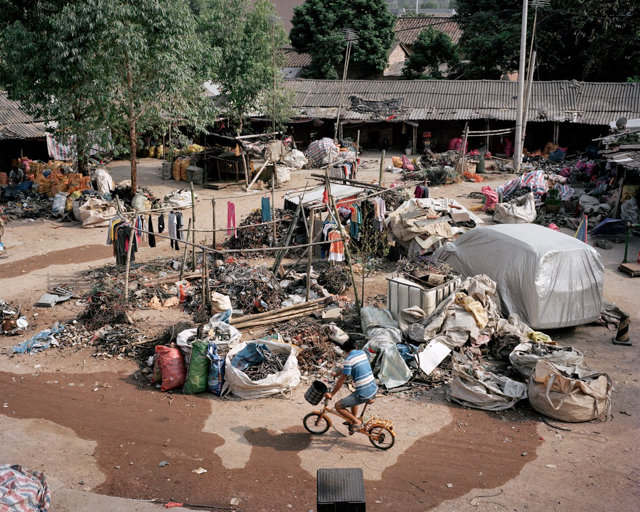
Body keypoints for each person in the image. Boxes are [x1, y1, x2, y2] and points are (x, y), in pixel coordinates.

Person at [324, 339, 378, 433]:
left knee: (338, 406)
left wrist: (331, 394)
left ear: (344, 351)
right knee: (354, 394)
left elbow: (341, 380)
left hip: (364, 394)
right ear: (356, 347)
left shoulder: (348, 360)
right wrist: (336, 374)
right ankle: (353, 421)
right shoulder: (362, 353)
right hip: (373, 388)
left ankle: (356, 422)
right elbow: (345, 369)